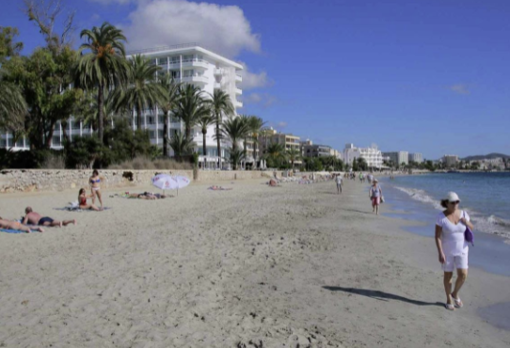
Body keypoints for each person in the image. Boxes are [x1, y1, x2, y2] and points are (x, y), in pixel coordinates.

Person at [435, 192, 474, 311]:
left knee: (463, 275)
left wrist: (466, 222)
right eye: (453, 202)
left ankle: (455, 293)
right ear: (447, 203)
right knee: (448, 275)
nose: (456, 204)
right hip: (447, 251)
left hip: (462, 250)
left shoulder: (464, 214)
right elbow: (437, 236)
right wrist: (440, 252)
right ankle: (448, 299)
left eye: (457, 202)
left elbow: (471, 227)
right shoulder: (441, 217)